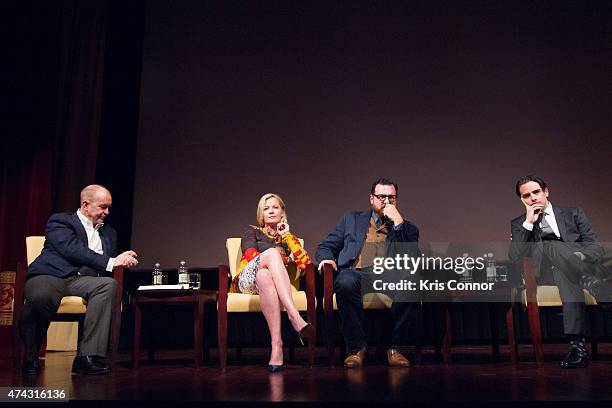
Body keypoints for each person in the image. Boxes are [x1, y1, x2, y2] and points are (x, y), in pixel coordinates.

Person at [21, 184, 138, 375]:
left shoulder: (109, 232)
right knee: (41, 297)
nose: (107, 212)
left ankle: (87, 356)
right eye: (102, 206)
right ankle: (31, 356)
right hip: (50, 274)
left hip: (82, 281)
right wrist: (111, 261)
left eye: (109, 207)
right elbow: (73, 250)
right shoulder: (61, 221)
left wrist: (120, 259)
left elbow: (107, 263)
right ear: (85, 205)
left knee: (108, 285)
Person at [509, 175, 612, 368]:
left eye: (536, 192)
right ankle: (597, 287)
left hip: (572, 269)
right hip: (544, 275)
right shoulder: (519, 224)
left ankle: (577, 348)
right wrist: (529, 223)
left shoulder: (573, 213)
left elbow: (595, 247)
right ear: (522, 200)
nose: (532, 198)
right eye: (526, 195)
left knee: (564, 272)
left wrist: (578, 257)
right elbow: (515, 256)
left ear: (546, 192)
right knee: (551, 245)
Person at [316, 178, 419, 368]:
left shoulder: (408, 228)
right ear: (372, 199)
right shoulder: (351, 219)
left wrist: (398, 223)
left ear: (397, 200)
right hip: (358, 273)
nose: (386, 201)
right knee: (345, 281)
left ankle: (393, 348)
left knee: (412, 282)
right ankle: (356, 349)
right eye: (381, 196)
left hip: (389, 276)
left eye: (391, 197)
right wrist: (326, 259)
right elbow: (325, 246)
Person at [231, 193, 313, 372]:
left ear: (282, 212)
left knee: (265, 276)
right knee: (271, 258)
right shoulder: (251, 231)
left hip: (266, 282)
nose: (270, 211)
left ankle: (276, 346)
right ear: (261, 214)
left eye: (275, 207)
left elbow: (306, 263)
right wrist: (282, 258)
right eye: (266, 208)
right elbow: (250, 255)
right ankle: (294, 315)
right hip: (247, 281)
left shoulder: (288, 238)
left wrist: (288, 235)